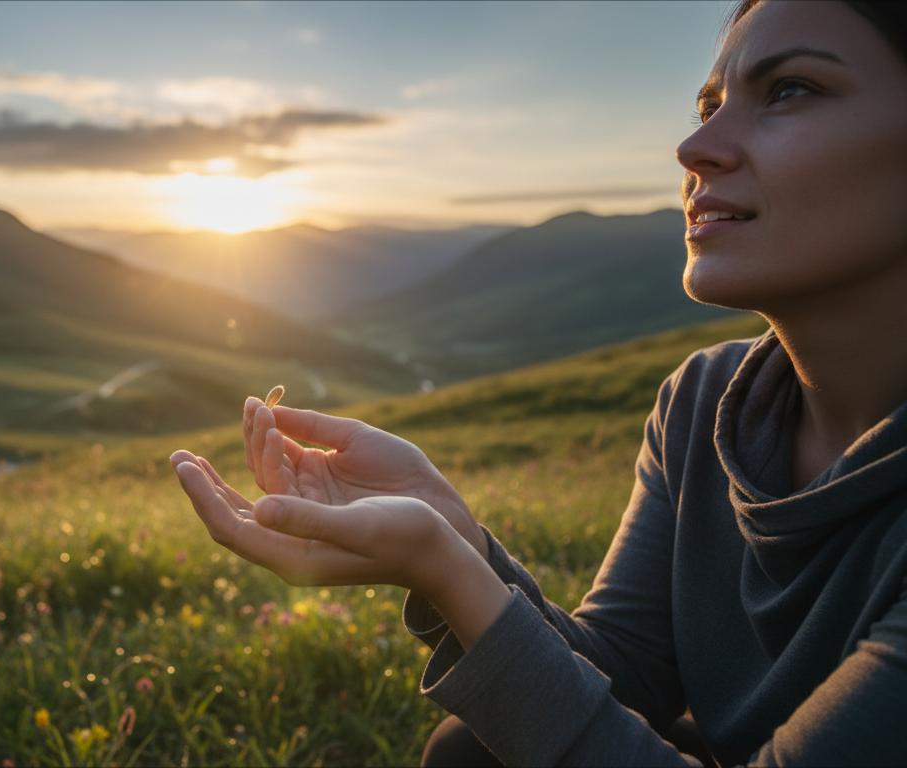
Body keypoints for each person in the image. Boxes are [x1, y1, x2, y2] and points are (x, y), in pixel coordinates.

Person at [170, 0, 907, 764]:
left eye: (790, 89)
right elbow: (621, 678)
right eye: (708, 105)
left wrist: (443, 564)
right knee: (473, 753)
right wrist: (452, 536)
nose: (695, 147)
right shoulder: (702, 404)